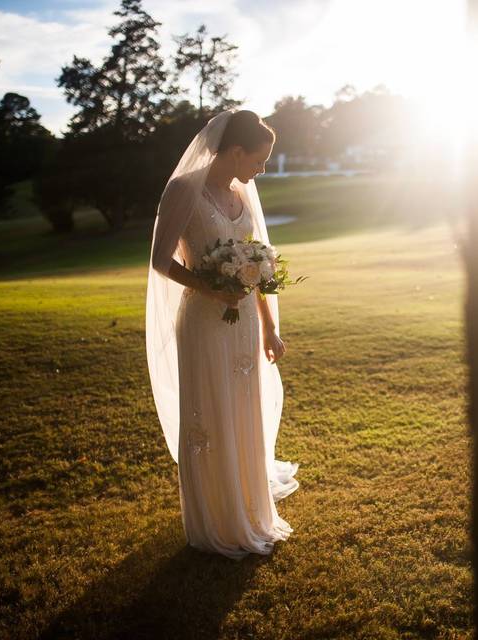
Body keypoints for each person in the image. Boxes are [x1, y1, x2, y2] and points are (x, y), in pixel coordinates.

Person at [145, 108, 300, 559]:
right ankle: (217, 519)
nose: (263, 168)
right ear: (235, 152)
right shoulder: (182, 192)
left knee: (244, 414)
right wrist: (208, 288)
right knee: (211, 418)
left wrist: (270, 328)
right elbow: (160, 259)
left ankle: (251, 511)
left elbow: (257, 268)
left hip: (246, 326)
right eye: (260, 158)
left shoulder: (243, 193)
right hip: (204, 324)